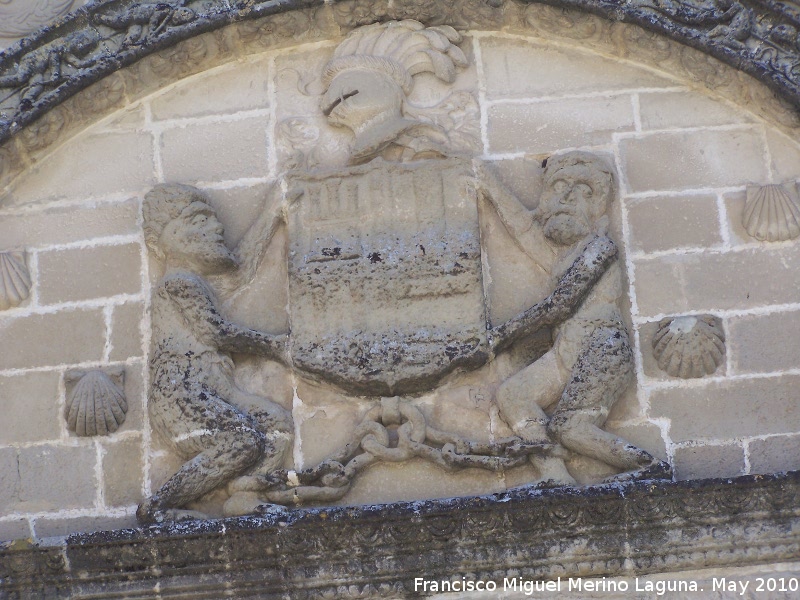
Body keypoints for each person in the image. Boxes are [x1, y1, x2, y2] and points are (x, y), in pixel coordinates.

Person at [486, 152, 667, 484]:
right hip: (567, 352)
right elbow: (524, 230)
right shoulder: (563, 256)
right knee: (512, 395)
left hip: (600, 348)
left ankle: (647, 468)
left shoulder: (599, 247)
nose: (567, 198)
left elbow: (560, 305)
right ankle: (556, 476)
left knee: (570, 428)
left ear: (597, 205)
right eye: (559, 187)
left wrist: (501, 336)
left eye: (582, 190)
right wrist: (490, 185)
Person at [137, 184, 292, 523]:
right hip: (182, 393)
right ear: (158, 243)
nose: (217, 227)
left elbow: (240, 269)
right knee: (239, 440)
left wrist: (272, 212)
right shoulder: (178, 284)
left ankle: (243, 494)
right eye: (199, 219)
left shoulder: (201, 283)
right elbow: (215, 331)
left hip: (213, 387)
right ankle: (158, 507)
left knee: (276, 423)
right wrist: (275, 346)